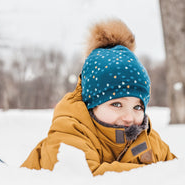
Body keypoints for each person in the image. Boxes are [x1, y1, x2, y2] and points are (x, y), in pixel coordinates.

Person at [21, 19, 176, 176]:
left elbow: (177, 175)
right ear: (91, 104)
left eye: (137, 107)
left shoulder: (147, 140)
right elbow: (82, 178)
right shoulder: (70, 131)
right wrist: (156, 174)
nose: (129, 118)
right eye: (116, 104)